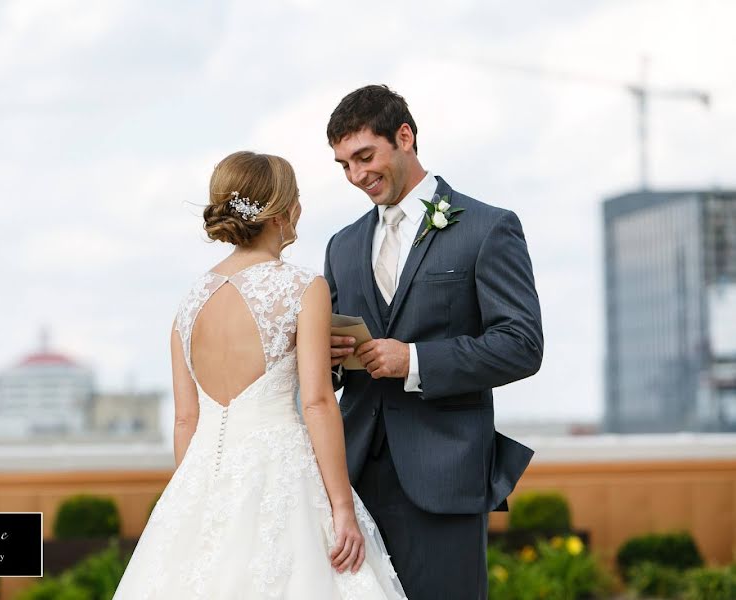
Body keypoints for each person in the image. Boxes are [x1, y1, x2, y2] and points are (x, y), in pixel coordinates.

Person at [112, 151, 406, 599]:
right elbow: (317, 402)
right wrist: (341, 506)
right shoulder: (304, 288)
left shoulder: (189, 302)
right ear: (283, 212)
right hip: (283, 477)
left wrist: (195, 502)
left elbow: (185, 420)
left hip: (201, 481)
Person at [325, 84, 543, 599]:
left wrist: (415, 360)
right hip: (353, 478)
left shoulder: (488, 228)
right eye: (344, 165)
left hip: (444, 476)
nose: (357, 176)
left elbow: (522, 343)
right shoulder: (342, 244)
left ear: (405, 136)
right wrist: (330, 360)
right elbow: (328, 363)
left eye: (364, 156)